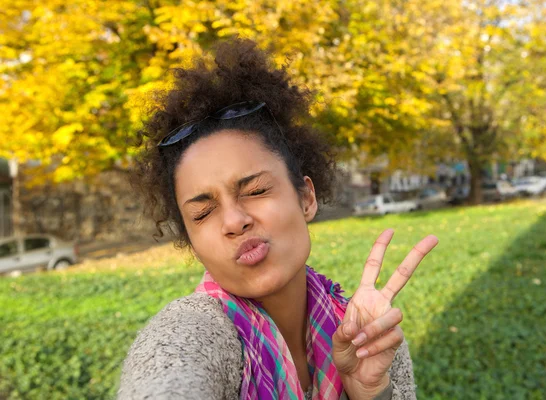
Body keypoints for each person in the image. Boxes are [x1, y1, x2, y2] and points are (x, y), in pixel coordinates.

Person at [118, 39, 438, 400]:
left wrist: (371, 392)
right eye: (204, 212)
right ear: (192, 242)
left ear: (306, 198)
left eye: (254, 191)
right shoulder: (186, 337)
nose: (234, 221)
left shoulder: (367, 333)